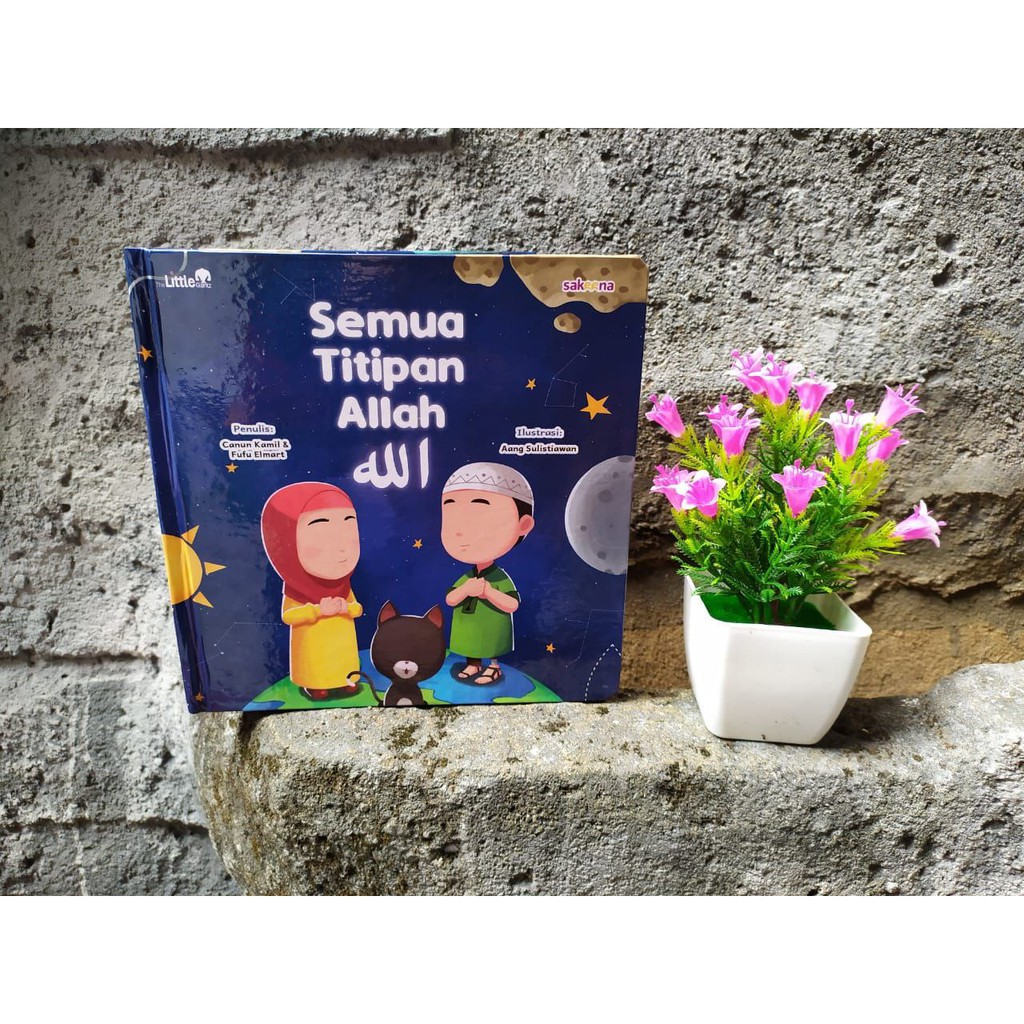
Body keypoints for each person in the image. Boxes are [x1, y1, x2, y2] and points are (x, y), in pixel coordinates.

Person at [260, 482, 363, 700]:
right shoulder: (296, 588)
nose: (342, 548)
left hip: (343, 643)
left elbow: (357, 608)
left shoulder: (343, 584)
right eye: (324, 538)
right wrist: (317, 611)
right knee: (317, 665)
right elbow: (288, 615)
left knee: (344, 661)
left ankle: (346, 679)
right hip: (313, 646)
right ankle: (316, 685)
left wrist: (347, 607)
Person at [441, 463, 534, 684]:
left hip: (491, 625)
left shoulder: (499, 577)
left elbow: (512, 605)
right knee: (471, 643)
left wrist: (488, 592)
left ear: (523, 525)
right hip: (469, 625)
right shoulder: (467, 577)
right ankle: (473, 664)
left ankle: (493, 667)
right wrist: (466, 589)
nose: (460, 532)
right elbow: (450, 599)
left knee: (489, 642)